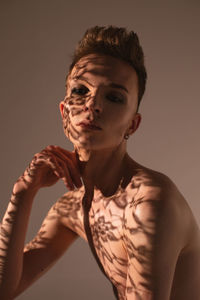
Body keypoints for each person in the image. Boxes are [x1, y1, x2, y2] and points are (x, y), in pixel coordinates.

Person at [0, 25, 200, 300]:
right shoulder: (71, 208)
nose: (92, 105)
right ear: (64, 112)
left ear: (133, 123)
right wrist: (22, 192)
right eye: (80, 91)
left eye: (114, 97)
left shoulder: (148, 203)